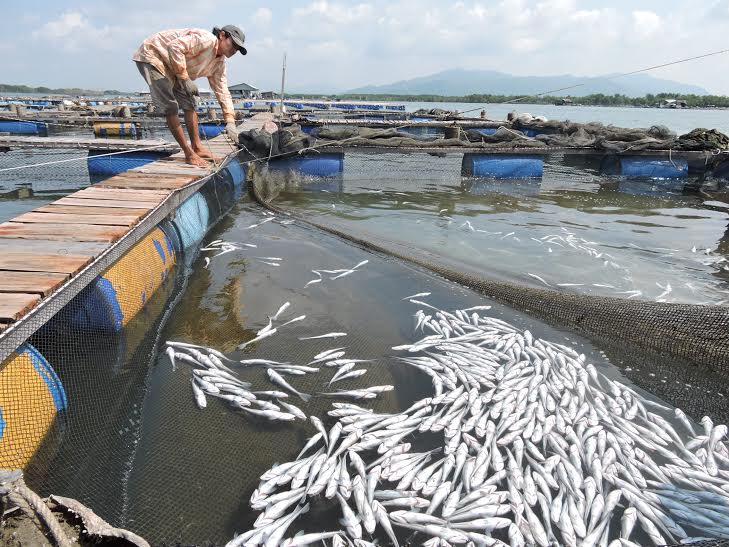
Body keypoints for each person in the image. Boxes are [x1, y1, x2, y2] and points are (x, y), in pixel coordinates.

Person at [133, 25, 246, 166]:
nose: (234, 50)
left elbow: (222, 91)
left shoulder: (220, 64)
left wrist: (230, 121)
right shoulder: (206, 40)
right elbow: (174, 47)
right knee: (170, 107)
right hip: (154, 55)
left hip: (174, 66)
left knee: (190, 103)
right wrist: (185, 78)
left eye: (237, 48)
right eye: (233, 44)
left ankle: (197, 148)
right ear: (222, 35)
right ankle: (188, 154)